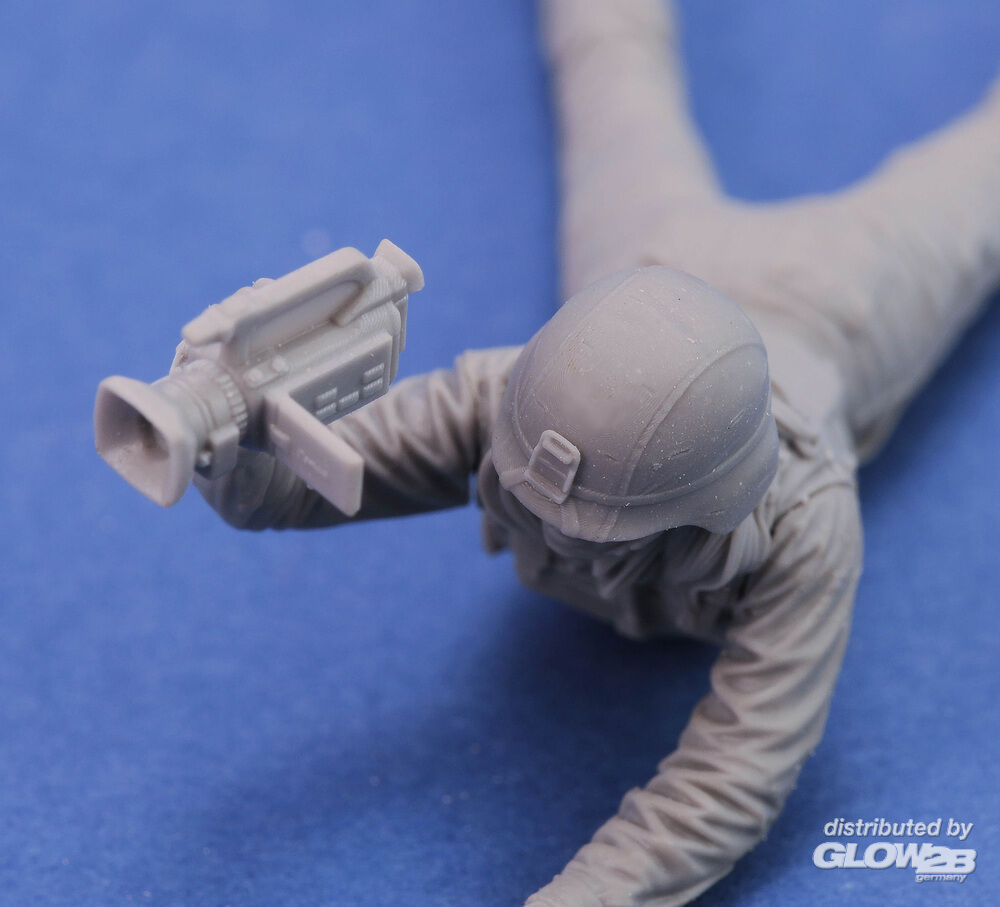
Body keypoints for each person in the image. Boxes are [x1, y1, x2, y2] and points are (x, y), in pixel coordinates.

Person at [190, 1, 1000, 904]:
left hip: (833, 296)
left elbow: (734, 773)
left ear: (710, 508)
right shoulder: (526, 397)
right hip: (648, 261)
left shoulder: (806, 529)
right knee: (609, 68)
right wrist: (226, 442)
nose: (548, 524)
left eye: (588, 521)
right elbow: (312, 479)